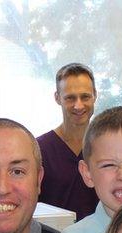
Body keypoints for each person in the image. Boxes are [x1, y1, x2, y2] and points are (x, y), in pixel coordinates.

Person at [37, 63, 100, 221]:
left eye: (85, 97)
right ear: (57, 98)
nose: (78, 105)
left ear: (95, 95)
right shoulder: (39, 149)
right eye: (70, 98)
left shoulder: (108, 146)